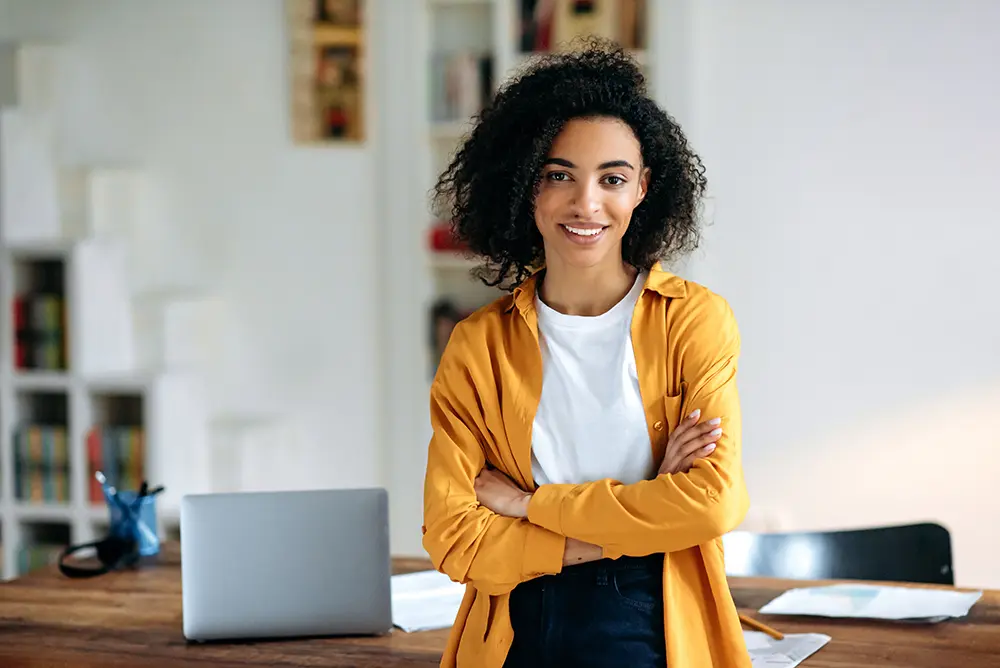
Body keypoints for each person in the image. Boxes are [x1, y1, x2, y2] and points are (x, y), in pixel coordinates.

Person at [422, 39, 751, 668]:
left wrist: (527, 505)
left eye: (613, 179)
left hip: (648, 614)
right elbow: (453, 537)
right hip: (512, 616)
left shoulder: (693, 321)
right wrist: (641, 514)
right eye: (558, 175)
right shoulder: (477, 346)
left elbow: (713, 502)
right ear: (526, 185)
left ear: (643, 189)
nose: (586, 204)